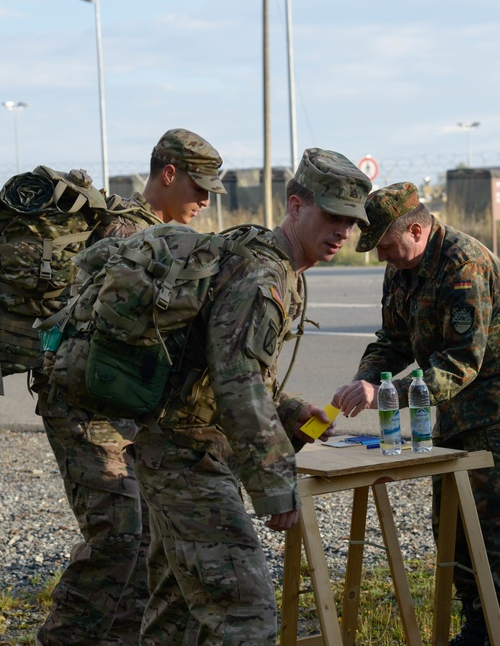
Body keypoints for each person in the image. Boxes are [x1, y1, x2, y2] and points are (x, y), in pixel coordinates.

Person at [132, 147, 371, 645]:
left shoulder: (277, 265)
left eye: (351, 221)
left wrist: (290, 410)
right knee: (246, 616)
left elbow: (232, 369)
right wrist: (273, 483)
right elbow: (237, 379)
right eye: (333, 215)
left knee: (177, 609)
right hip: (185, 450)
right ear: (296, 205)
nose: (343, 232)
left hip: (176, 442)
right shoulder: (265, 274)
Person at [34, 128, 228, 646]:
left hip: (122, 407)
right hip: (84, 408)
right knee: (118, 537)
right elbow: (98, 334)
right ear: (168, 174)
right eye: (198, 186)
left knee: (145, 538)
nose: (206, 199)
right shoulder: (128, 233)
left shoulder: (164, 239)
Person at [332, 181, 500, 646]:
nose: (382, 256)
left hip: (499, 411)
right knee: (453, 522)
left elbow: (461, 362)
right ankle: (474, 625)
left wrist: (392, 393)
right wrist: (365, 381)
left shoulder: (465, 266)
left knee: (497, 522)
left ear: (419, 229)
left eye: (386, 245)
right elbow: (392, 340)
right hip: (446, 412)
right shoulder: (402, 268)